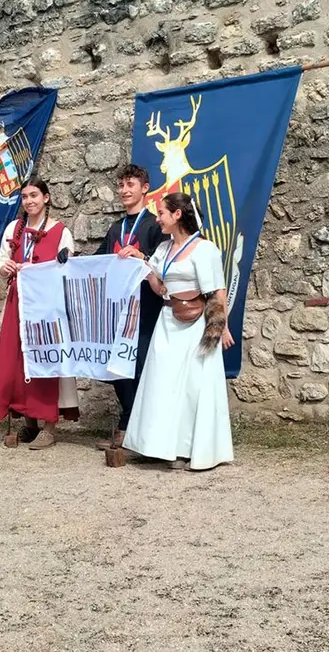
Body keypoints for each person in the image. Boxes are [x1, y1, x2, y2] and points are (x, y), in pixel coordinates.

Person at [119, 192, 234, 471]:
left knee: (191, 387)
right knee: (162, 383)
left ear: (178, 215)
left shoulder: (205, 249)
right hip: (168, 319)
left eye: (161, 214)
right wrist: (141, 262)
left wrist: (221, 327)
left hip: (195, 324)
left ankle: (186, 449)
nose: (157, 219)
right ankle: (157, 446)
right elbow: (159, 286)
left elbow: (216, 291)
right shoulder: (163, 249)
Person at [0, 178, 79, 450]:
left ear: (46, 198)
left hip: (47, 306)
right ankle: (28, 422)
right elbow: (1, 261)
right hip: (18, 302)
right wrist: (5, 269)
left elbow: (68, 266)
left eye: (34, 195)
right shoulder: (13, 229)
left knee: (46, 360)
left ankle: (50, 425)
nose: (29, 201)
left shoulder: (60, 231)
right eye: (25, 197)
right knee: (19, 362)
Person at [94, 164, 168, 451]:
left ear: (145, 188)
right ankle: (128, 424)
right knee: (117, 369)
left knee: (139, 368)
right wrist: (70, 259)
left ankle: (132, 430)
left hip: (147, 310)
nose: (125, 190)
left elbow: (164, 265)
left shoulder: (154, 226)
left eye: (131, 184)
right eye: (122, 185)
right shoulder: (116, 228)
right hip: (117, 312)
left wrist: (142, 255)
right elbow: (98, 261)